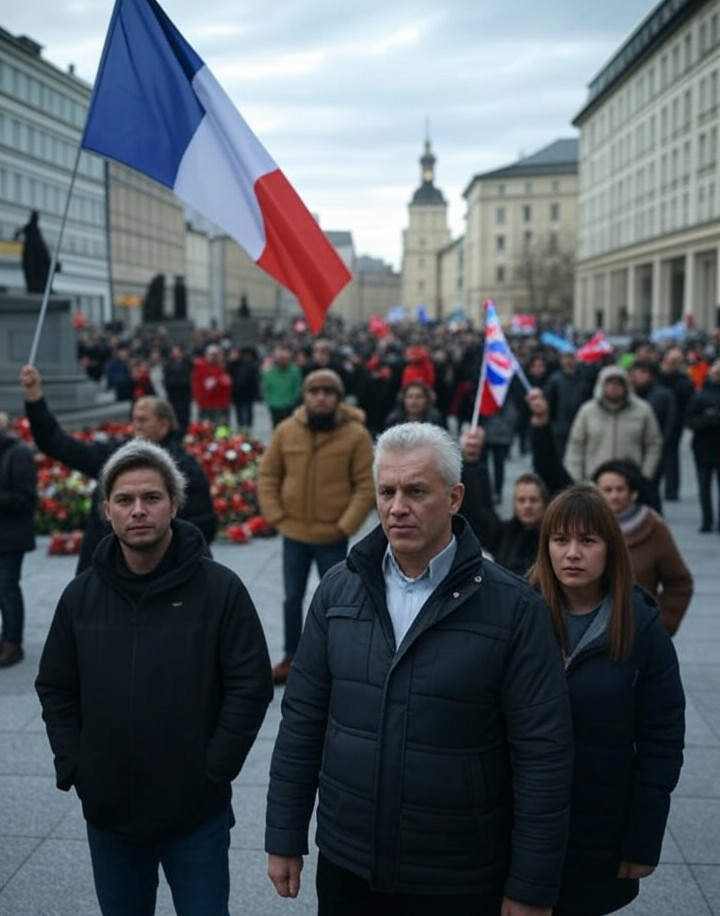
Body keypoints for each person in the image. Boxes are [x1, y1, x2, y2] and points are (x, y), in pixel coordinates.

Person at [265, 422, 574, 914]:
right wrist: (284, 833)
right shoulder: (337, 591)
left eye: (415, 491)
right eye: (386, 491)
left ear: (454, 498)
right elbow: (302, 721)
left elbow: (544, 755)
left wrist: (531, 884)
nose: (396, 507)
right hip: (349, 864)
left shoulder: (514, 608)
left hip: (458, 874)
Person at [36, 440, 273, 916]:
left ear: (174, 504)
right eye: (125, 500)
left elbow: (251, 685)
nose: (138, 510)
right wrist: (77, 766)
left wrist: (215, 769)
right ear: (106, 510)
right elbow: (56, 686)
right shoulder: (81, 596)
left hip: (196, 815)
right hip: (110, 816)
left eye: (151, 498)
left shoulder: (220, 589)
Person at [527, 485, 685, 916]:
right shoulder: (520, 616)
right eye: (560, 540)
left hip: (600, 830)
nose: (572, 553)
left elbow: (662, 744)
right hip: (518, 829)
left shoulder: (642, 629)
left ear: (610, 549)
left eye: (587, 541)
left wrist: (643, 839)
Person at [20, 364, 217, 573]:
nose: (136, 426)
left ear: (164, 424)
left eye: (143, 420)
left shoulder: (185, 469)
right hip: (104, 572)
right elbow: (56, 443)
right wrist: (35, 397)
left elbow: (202, 526)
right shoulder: (113, 456)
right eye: (134, 419)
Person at [257, 368, 375, 685]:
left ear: (338, 398)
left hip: (332, 535)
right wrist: (277, 516)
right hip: (293, 533)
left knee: (337, 600)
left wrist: (345, 525)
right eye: (314, 391)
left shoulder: (355, 435)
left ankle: (335, 659)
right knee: (292, 597)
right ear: (305, 396)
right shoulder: (286, 431)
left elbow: (366, 485)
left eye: (328, 392)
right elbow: (268, 475)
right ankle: (291, 656)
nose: (320, 397)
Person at [593, 459, 693, 636]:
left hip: (636, 633)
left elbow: (680, 583)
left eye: (620, 489)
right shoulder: (581, 526)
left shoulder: (653, 527)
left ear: (633, 493)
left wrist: (660, 625)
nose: (613, 496)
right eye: (607, 490)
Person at [461, 426, 548, 576]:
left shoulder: (553, 539)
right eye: (521, 500)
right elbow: (478, 509)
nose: (527, 506)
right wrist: (471, 462)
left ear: (544, 503)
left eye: (533, 500)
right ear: (514, 504)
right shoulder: (503, 535)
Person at [564, 364, 662, 486]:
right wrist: (577, 479)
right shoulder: (587, 411)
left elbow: (653, 445)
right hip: (594, 482)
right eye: (609, 383)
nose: (614, 388)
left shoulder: (642, 410)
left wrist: (644, 476)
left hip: (631, 482)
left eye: (618, 383)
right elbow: (576, 446)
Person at [0, 412, 37, 668]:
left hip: (11, 536)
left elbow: (26, 499)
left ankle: (13, 644)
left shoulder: (19, 454)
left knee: (7, 589)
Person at [685, 358, 720, 533]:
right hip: (703, 446)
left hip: (710, 446)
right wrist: (706, 420)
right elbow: (690, 420)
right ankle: (707, 519)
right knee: (704, 486)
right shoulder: (699, 396)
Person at [657, 346, 695, 501]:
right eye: (671, 359)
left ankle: (671, 490)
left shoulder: (683, 380)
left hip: (676, 421)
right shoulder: (657, 375)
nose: (673, 362)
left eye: (677, 360)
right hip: (657, 418)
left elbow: (689, 401)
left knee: (671, 455)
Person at [261, 344, 302, 428]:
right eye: (280, 358)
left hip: (290, 406)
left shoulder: (294, 370)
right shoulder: (270, 371)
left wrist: (294, 401)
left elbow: (297, 387)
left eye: (284, 358)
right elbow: (266, 386)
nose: (282, 360)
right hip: (275, 406)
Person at [191, 344, 232, 425]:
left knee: (222, 431)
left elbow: (227, 384)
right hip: (205, 405)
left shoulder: (225, 367)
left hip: (221, 405)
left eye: (216, 355)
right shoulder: (200, 367)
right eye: (212, 355)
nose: (214, 357)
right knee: (205, 430)